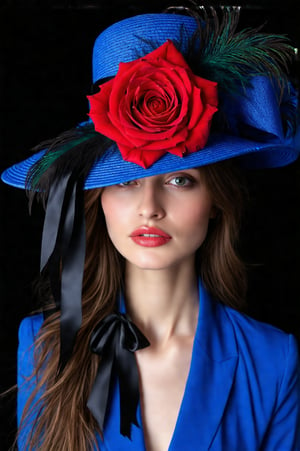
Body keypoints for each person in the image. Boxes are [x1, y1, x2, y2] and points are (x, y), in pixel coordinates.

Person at [1, 4, 300, 451]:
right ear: (97, 199)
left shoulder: (273, 360)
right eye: (124, 181)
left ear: (217, 199)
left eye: (180, 180)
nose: (149, 208)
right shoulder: (43, 348)